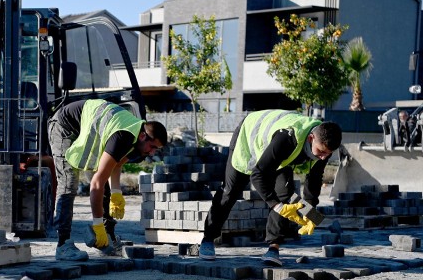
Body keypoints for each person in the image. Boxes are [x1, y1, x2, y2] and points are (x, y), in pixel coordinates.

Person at [198, 109, 342, 266]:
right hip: (248, 138)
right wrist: (276, 205)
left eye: (328, 154)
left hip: (277, 153)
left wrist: (311, 214)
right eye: (321, 152)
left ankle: (273, 248)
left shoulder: (323, 143)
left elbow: (314, 180)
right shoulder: (286, 138)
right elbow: (257, 175)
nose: (323, 157)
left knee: (286, 194)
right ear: (310, 138)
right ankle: (208, 239)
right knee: (230, 191)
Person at [49, 99, 167, 261]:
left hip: (86, 126)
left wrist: (116, 194)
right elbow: (96, 184)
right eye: (153, 147)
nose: (153, 153)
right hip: (64, 126)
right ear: (142, 136)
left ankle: (107, 237)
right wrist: (97, 223)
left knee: (103, 176)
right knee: (69, 183)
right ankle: (63, 245)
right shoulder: (123, 136)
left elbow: (115, 165)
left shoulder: (137, 141)